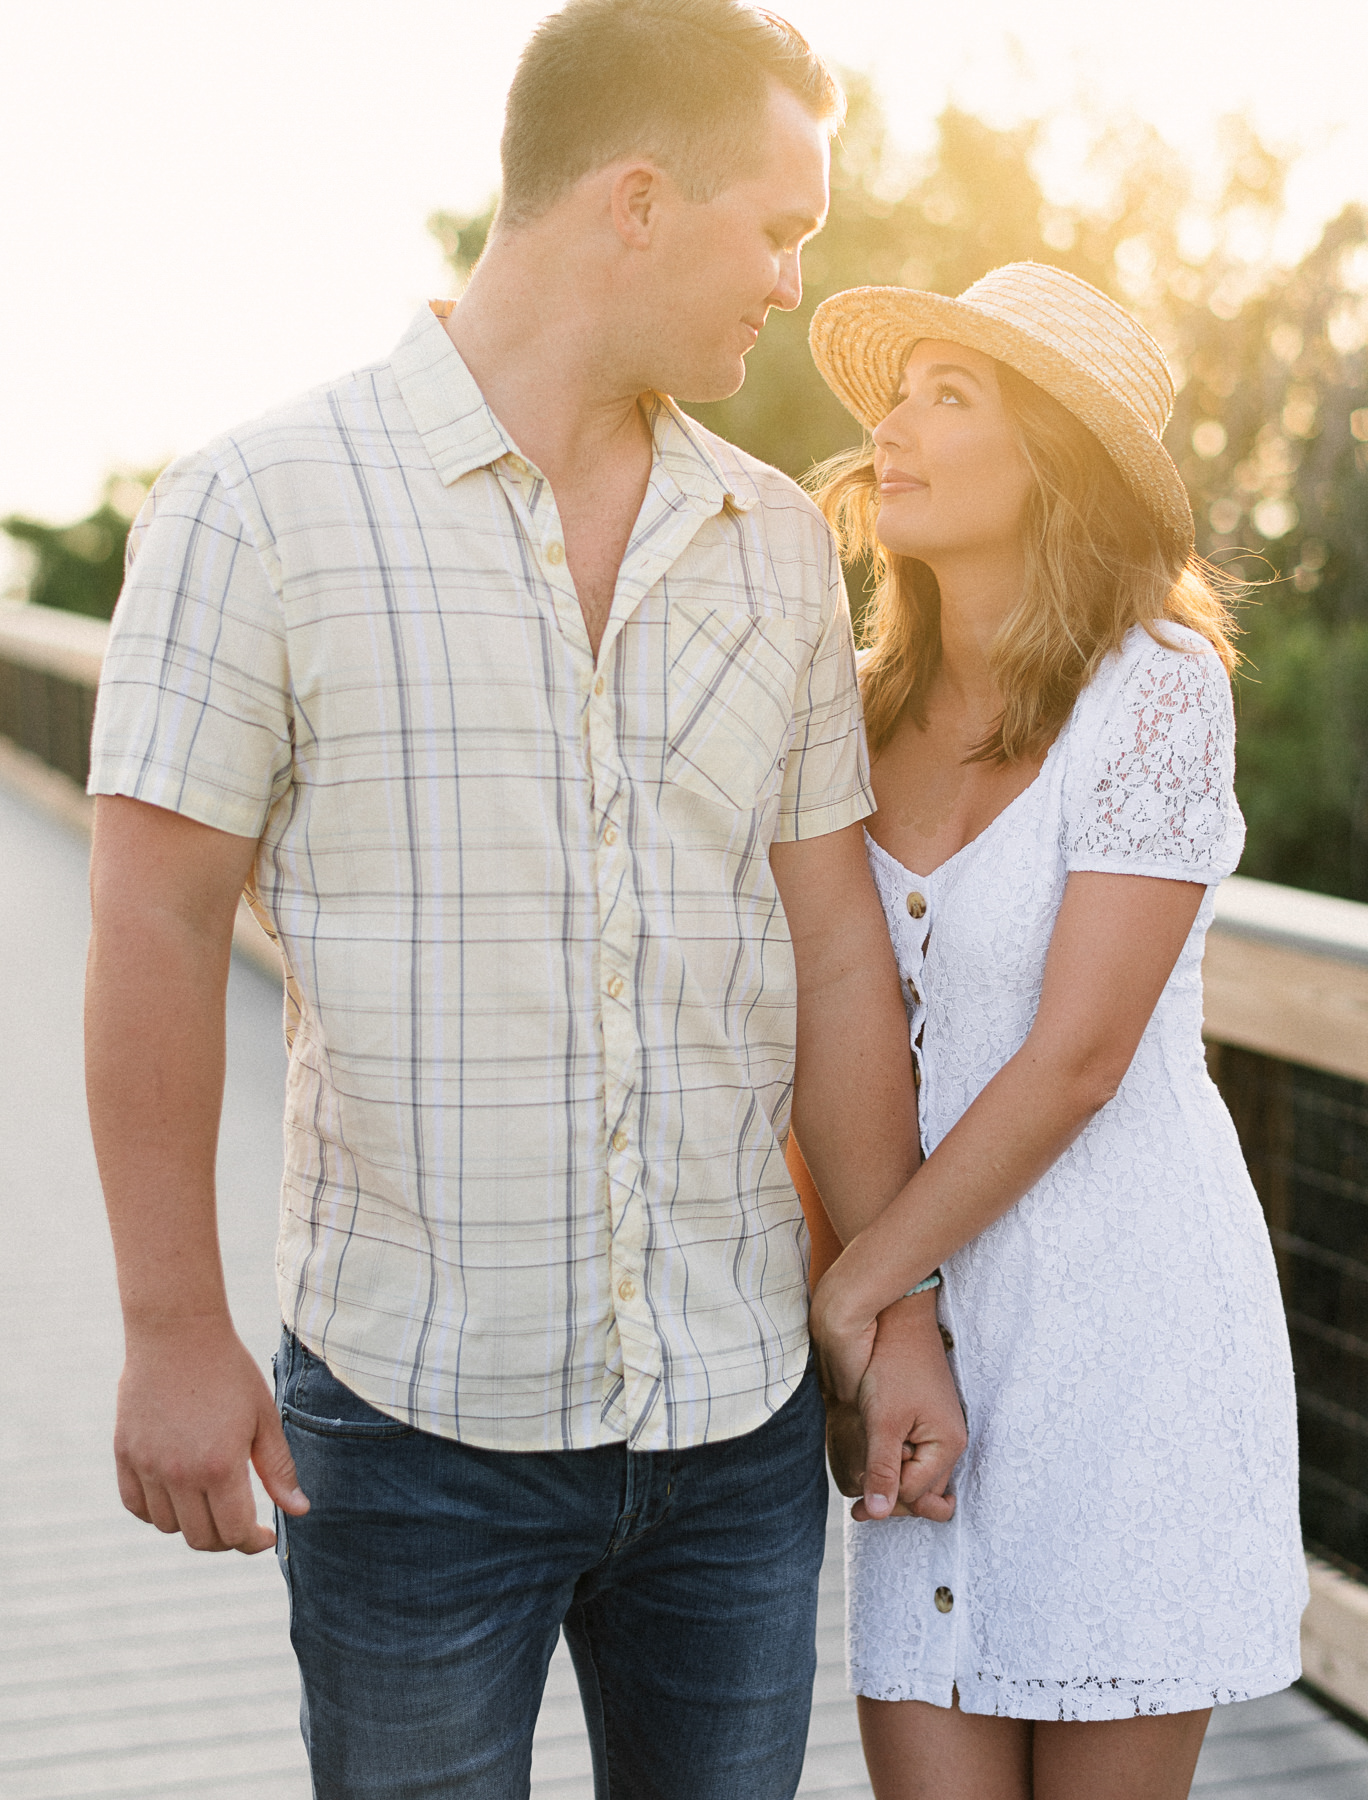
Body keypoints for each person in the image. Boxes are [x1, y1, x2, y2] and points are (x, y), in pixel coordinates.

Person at [82, 5, 966, 1796]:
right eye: (779, 226)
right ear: (636, 202)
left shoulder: (779, 544)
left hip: (733, 1424)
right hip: (409, 1432)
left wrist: (891, 1306)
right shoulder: (257, 507)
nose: (796, 281)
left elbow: (835, 959)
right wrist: (174, 1331)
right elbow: (153, 927)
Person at [794, 263, 1308, 1800]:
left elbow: (1081, 1057)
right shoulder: (849, 709)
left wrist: (863, 1288)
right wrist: (891, 1326)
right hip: (915, 1347)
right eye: (901, 392)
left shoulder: (1153, 692)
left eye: (955, 399)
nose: (893, 428)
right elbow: (816, 1027)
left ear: (1056, 469)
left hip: (1123, 1338)